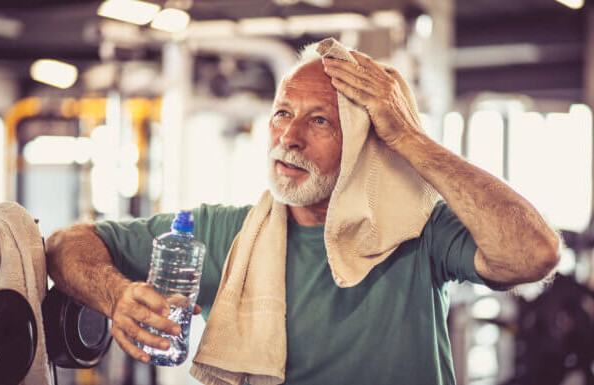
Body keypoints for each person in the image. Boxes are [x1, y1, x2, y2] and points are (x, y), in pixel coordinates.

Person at [46, 44, 561, 385]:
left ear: (366, 141)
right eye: (282, 114)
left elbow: (534, 254)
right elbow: (68, 244)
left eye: (319, 121)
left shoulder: (420, 231)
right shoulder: (226, 234)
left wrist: (407, 138)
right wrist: (116, 296)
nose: (288, 138)